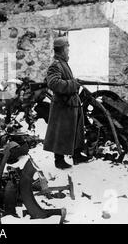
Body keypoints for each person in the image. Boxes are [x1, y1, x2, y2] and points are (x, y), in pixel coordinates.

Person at [44, 36, 90, 169]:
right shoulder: (56, 65)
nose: (68, 50)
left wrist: (73, 81)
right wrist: (73, 83)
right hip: (63, 106)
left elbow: (63, 80)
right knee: (61, 132)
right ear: (61, 50)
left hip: (70, 104)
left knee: (75, 130)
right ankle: (59, 160)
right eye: (67, 48)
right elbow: (54, 83)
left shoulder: (63, 63)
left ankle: (76, 155)